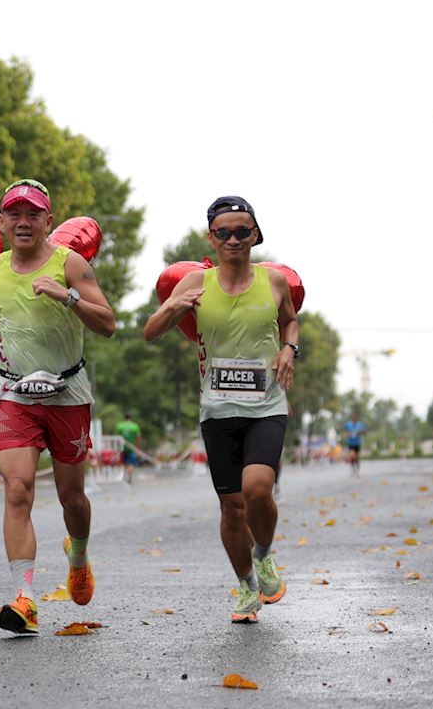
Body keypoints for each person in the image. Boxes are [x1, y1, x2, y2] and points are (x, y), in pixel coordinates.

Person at [0, 179, 117, 635]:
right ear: (2, 221)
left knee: (71, 498)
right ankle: (25, 598)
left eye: (33, 214)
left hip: (67, 394)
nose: (23, 222)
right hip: (14, 395)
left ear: (48, 221)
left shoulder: (71, 263)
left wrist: (66, 295)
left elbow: (107, 323)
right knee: (17, 490)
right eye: (14, 213)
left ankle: (80, 554)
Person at [143, 196, 299, 625]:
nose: (233, 239)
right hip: (217, 410)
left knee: (257, 488)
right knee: (231, 509)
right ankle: (247, 586)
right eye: (224, 232)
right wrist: (173, 308)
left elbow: (290, 321)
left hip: (266, 405)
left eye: (242, 231)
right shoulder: (193, 283)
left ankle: (263, 556)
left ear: (256, 236)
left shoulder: (274, 282)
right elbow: (150, 332)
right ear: (210, 238)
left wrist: (289, 348)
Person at [116, 412, 142, 485]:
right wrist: (139, 447)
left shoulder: (120, 426)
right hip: (131, 447)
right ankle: (129, 478)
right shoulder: (134, 426)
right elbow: (138, 438)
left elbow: (117, 437)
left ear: (125, 418)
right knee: (131, 463)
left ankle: (123, 477)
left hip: (121, 448)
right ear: (131, 418)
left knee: (123, 463)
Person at [343, 411, 365, 477]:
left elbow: (364, 432)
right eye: (353, 417)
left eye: (355, 417)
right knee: (352, 457)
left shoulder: (360, 424)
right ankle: (353, 470)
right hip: (350, 443)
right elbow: (345, 433)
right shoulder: (348, 424)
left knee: (357, 458)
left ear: (357, 418)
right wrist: (348, 434)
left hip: (357, 443)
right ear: (351, 417)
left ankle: (357, 471)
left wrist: (361, 432)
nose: (354, 418)